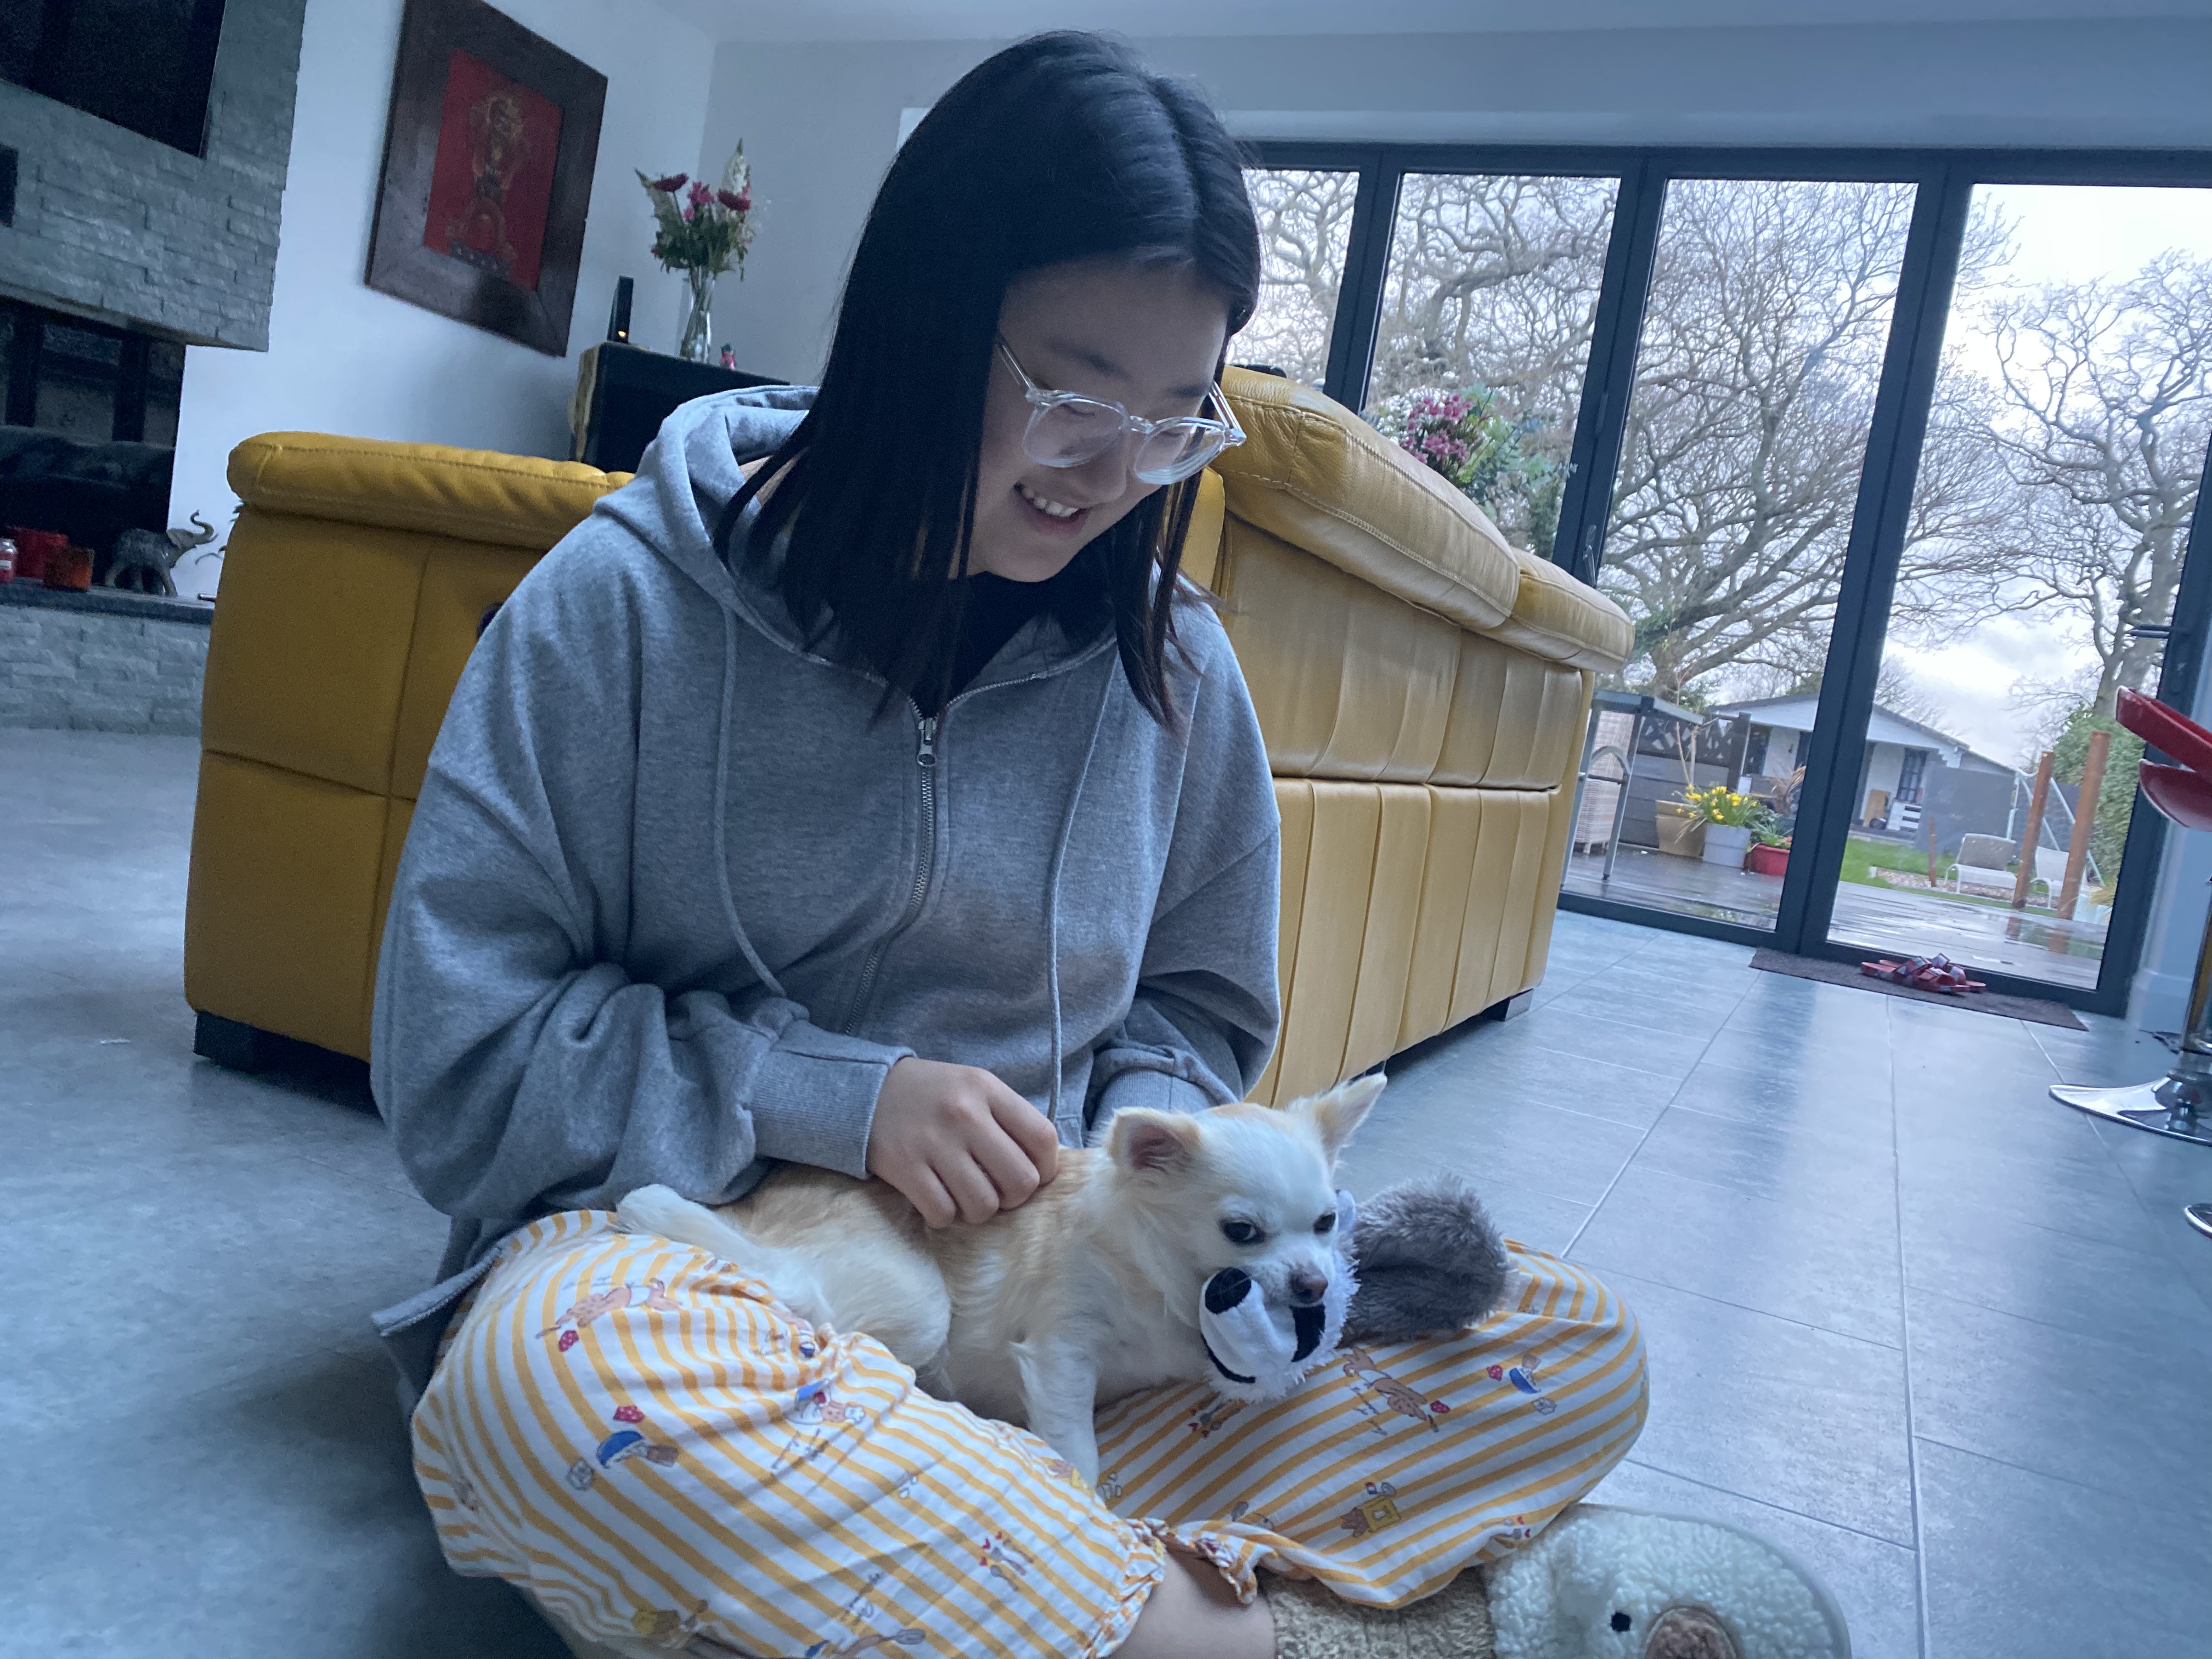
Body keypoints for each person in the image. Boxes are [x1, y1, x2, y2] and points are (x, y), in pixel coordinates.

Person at [371, 33, 1646, 1659]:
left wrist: (1140, 1181)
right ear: (918, 327)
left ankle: (968, 1574)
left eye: (1178, 421)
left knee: (1568, 1339)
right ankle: (1266, 1626)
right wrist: (829, 1095)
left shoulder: (1176, 669)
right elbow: (456, 1057)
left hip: (1058, 1309)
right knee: (551, 1395)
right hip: (698, 1282)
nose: (1118, 477)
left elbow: (1194, 1020)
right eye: (1071, 396)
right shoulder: (617, 611)